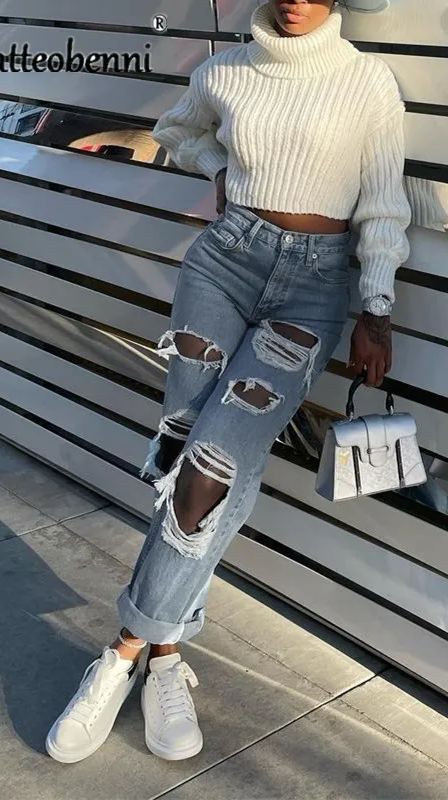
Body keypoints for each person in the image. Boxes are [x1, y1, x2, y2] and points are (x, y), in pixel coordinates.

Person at [45, 0, 411, 763]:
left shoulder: (368, 81)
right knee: (184, 450)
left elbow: (383, 204)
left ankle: (120, 652)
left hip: (315, 286)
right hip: (223, 264)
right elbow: (177, 131)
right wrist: (217, 168)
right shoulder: (225, 71)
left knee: (214, 466)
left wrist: (376, 308)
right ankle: (166, 659)